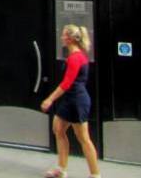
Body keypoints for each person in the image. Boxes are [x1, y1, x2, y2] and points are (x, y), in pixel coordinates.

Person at [40, 24, 101, 178]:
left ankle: (95, 174)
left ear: (70, 39)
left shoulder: (75, 58)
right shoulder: (78, 56)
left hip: (77, 101)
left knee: (83, 138)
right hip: (71, 99)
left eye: (64, 35)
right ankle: (61, 169)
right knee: (58, 129)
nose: (61, 37)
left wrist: (49, 99)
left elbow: (67, 83)